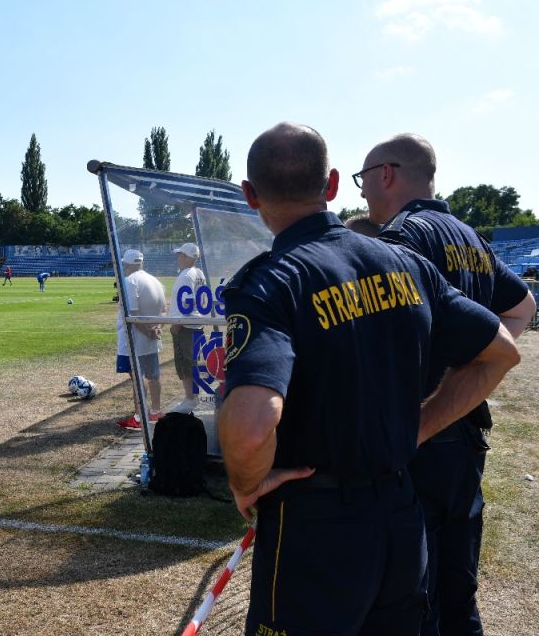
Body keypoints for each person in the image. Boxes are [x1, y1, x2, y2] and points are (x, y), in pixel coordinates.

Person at [217, 122, 519, 635]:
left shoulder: (270, 281)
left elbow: (251, 424)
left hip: (315, 524)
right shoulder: (408, 265)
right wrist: (418, 428)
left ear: (250, 195)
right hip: (402, 514)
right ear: (332, 185)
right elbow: (502, 352)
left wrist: (247, 482)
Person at [358, 133, 536, 636]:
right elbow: (522, 309)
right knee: (459, 585)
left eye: (364, 179)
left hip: (419, 436)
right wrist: (472, 373)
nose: (364, 192)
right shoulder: (470, 236)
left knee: (414, 594)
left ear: (387, 175)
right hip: (465, 433)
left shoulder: (403, 237)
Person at [114, 249, 167, 430]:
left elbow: (133, 315)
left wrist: (148, 332)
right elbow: (164, 310)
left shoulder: (130, 281)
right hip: (151, 339)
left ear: (127, 264)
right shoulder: (155, 281)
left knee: (136, 378)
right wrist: (157, 329)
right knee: (153, 376)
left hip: (135, 340)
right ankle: (155, 411)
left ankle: (139, 416)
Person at [168, 242, 207, 413]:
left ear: (185, 257)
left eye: (180, 255)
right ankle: (192, 397)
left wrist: (176, 325)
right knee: (193, 362)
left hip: (186, 326)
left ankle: (190, 399)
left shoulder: (186, 275)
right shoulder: (199, 273)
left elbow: (187, 303)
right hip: (196, 324)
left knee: (185, 363)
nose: (178, 258)